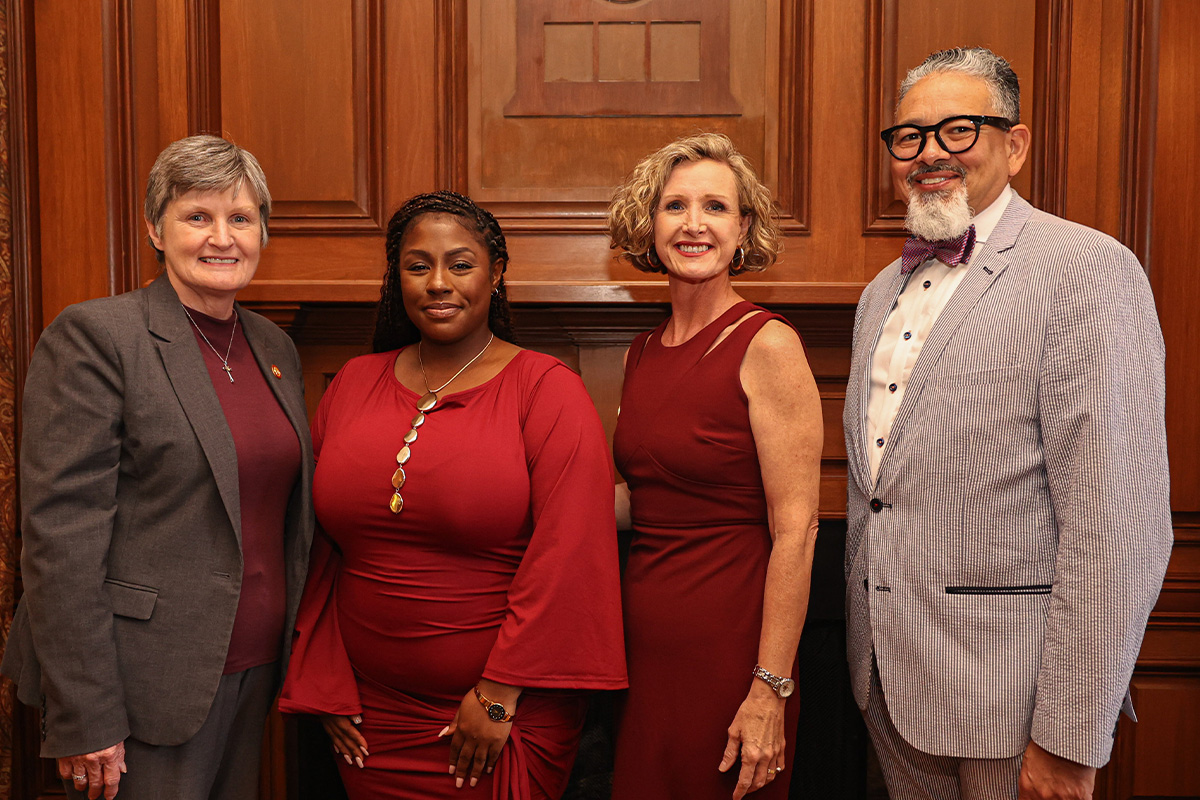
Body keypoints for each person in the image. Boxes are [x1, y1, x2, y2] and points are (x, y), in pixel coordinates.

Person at [845, 46, 1172, 800]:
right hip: (889, 693)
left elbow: (1116, 523)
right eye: (910, 137)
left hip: (1017, 706)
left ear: (1015, 144)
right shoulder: (875, 297)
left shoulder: (1087, 269)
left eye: (958, 131)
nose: (930, 153)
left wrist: (1069, 733)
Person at [278, 190, 627, 799]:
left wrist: (498, 695)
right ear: (397, 279)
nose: (439, 282)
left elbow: (569, 555)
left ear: (496, 275)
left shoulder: (546, 389)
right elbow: (319, 551)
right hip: (369, 717)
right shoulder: (354, 383)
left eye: (460, 264)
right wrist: (325, 678)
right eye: (418, 266)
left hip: (498, 715)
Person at [0, 135, 314, 799]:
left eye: (241, 217)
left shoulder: (272, 345)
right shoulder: (100, 337)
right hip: (142, 687)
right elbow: (60, 540)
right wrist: (87, 713)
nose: (222, 237)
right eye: (197, 217)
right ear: (155, 228)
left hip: (254, 671)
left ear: (263, 230)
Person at [607, 133, 823, 800]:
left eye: (715, 207)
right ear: (650, 225)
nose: (694, 224)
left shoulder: (769, 344)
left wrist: (770, 687)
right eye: (674, 206)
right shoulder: (638, 354)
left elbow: (799, 528)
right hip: (644, 650)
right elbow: (640, 499)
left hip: (733, 652)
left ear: (743, 228)